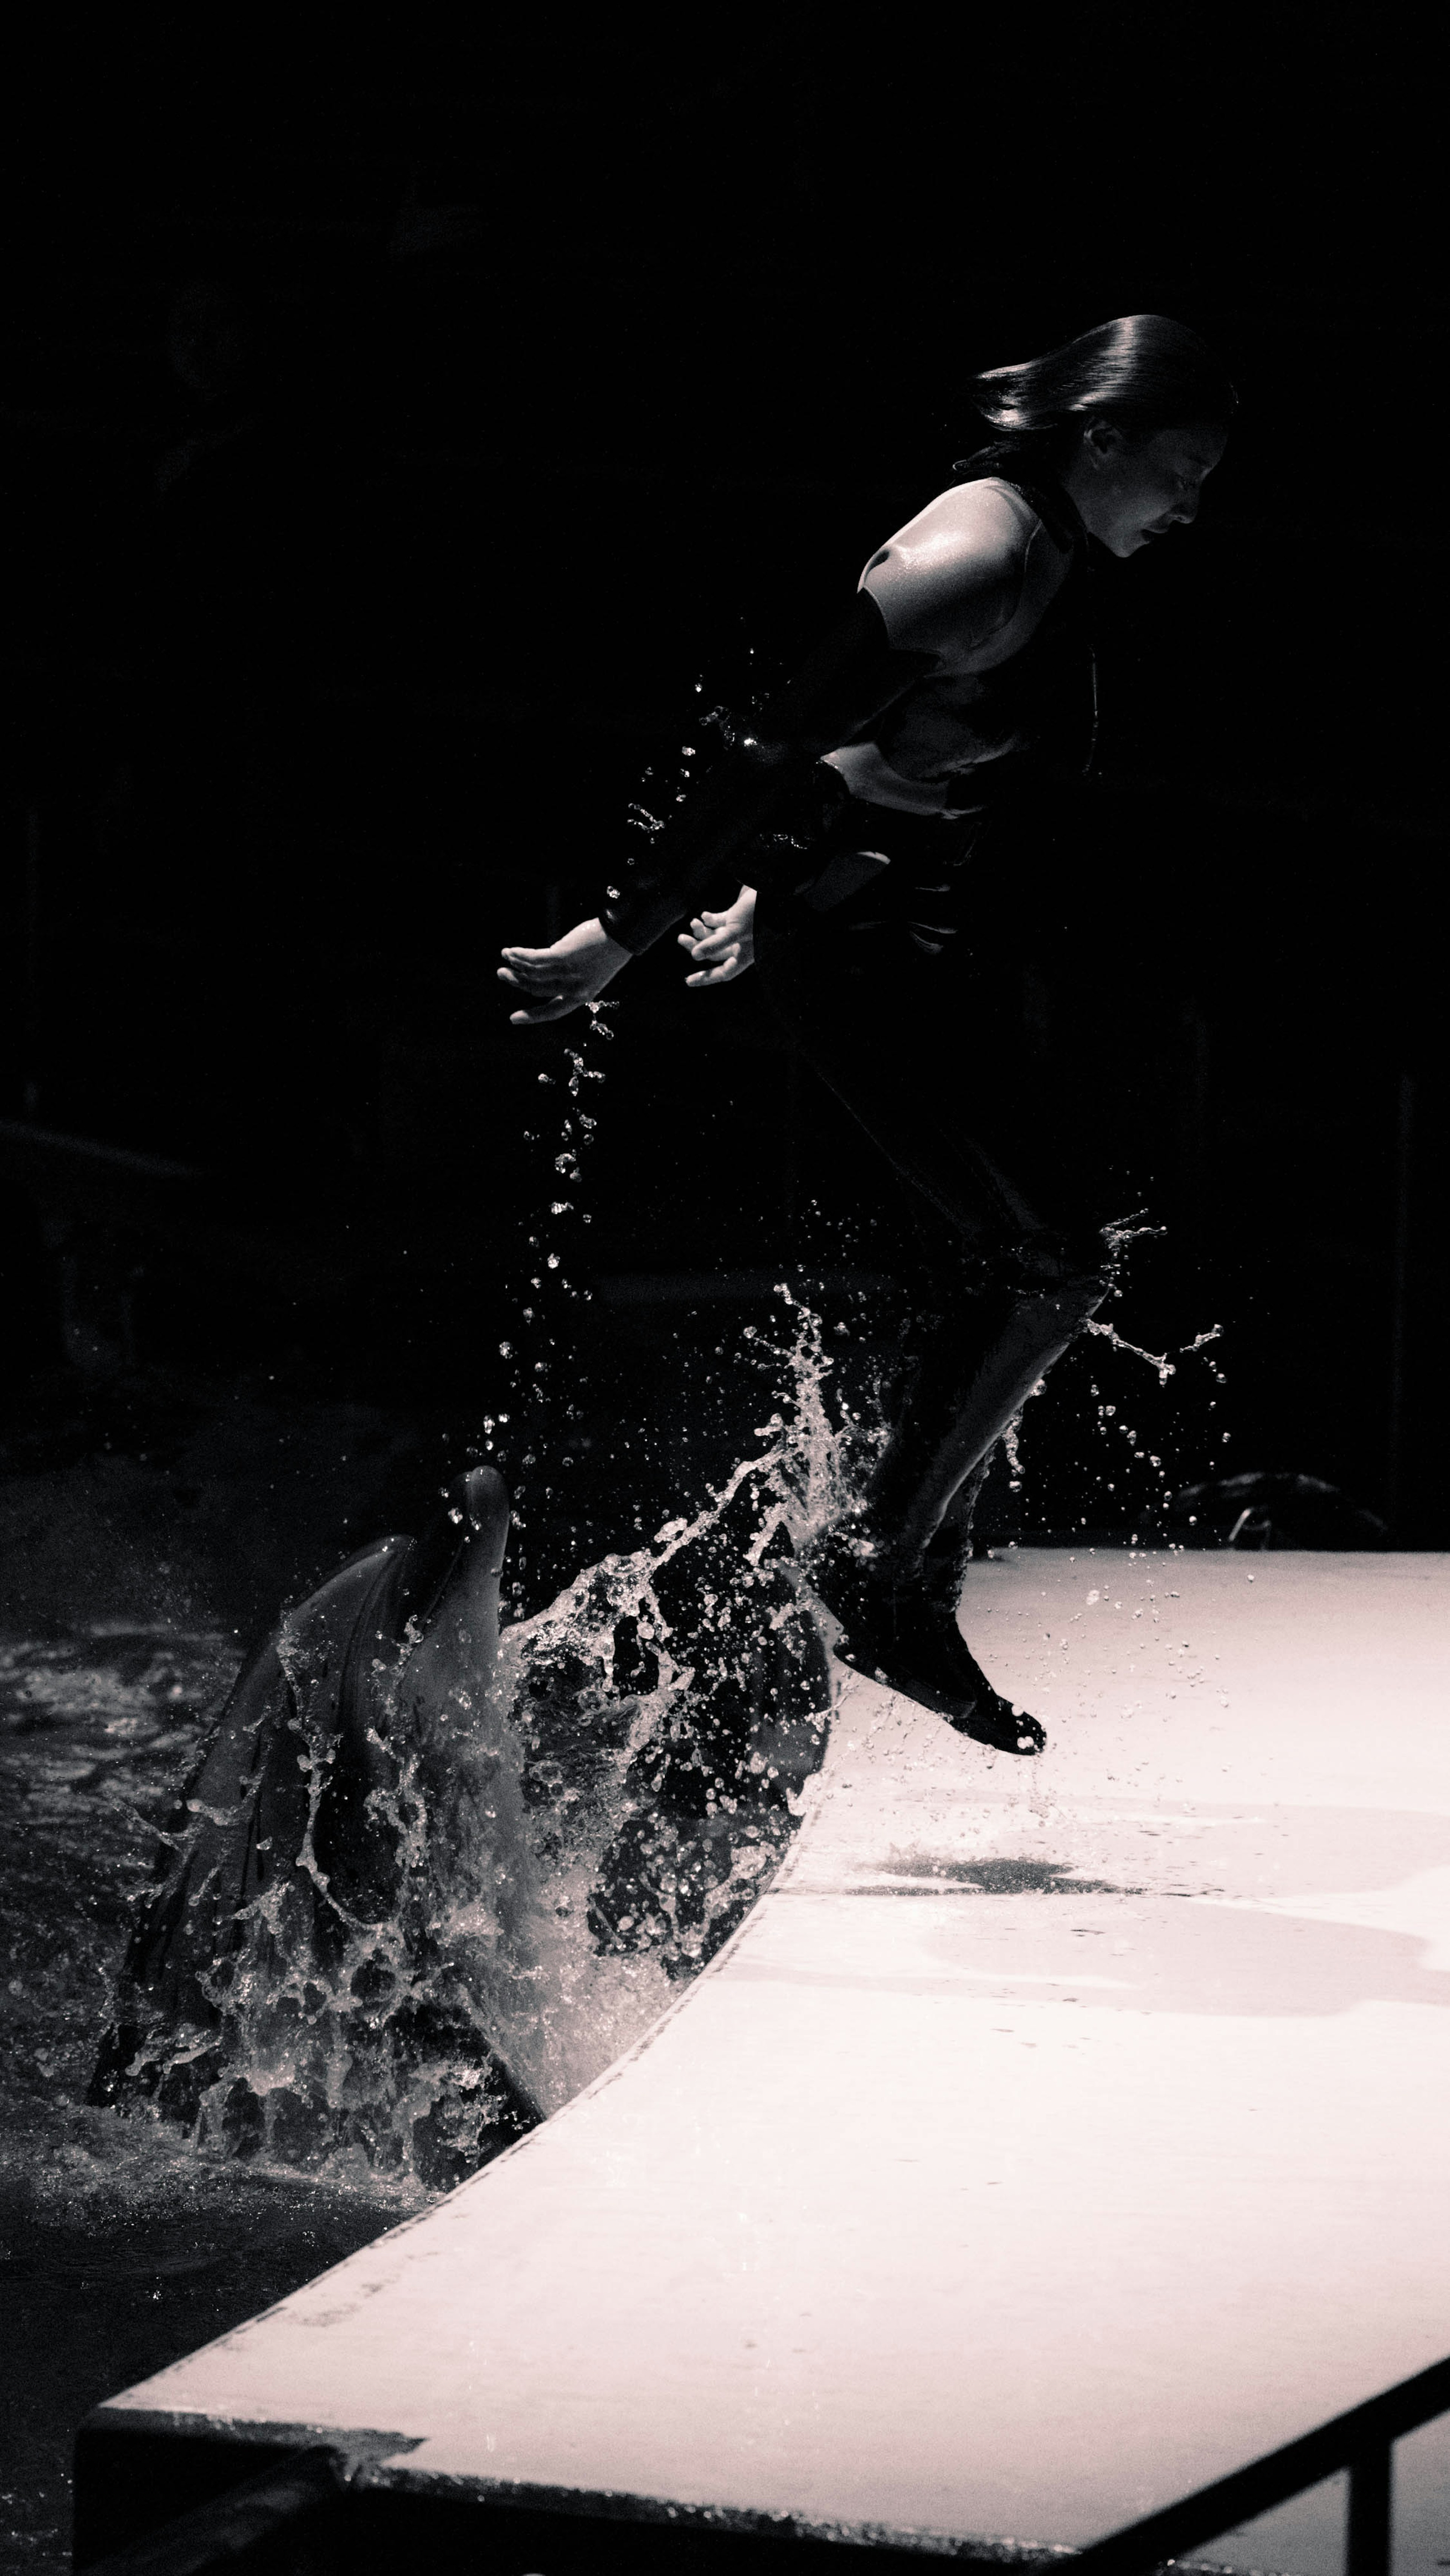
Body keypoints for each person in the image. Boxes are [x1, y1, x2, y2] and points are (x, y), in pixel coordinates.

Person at [499, 315, 1234, 1755]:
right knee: (1050, 1258)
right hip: (861, 963)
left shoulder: (1054, 551)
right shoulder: (976, 558)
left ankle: (895, 1565)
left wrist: (777, 882)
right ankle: (879, 1577)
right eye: (1184, 469)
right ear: (1103, 438)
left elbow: (877, 759)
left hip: (898, 937)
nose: (1194, 504)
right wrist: (624, 935)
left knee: (1038, 1254)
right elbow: (768, 741)